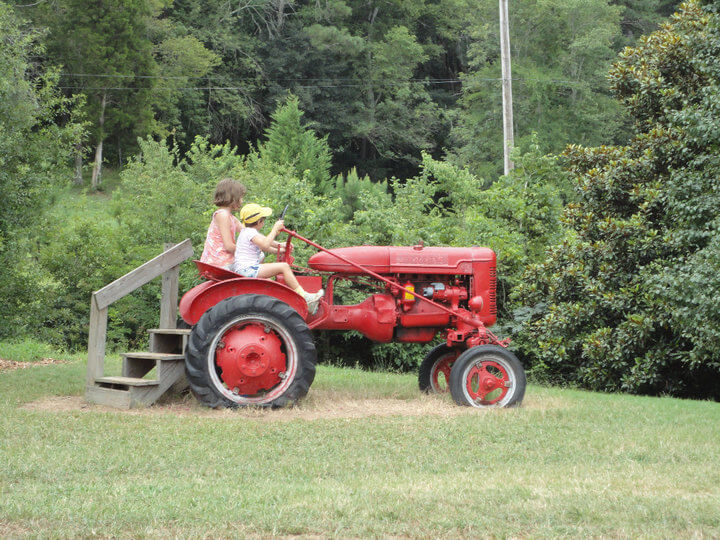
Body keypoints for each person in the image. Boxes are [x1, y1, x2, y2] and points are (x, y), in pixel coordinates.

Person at [232, 203, 324, 314]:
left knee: (270, 282)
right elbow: (265, 245)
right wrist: (275, 230)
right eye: (263, 220)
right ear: (259, 221)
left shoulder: (247, 232)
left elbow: (266, 242)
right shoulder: (250, 233)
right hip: (248, 270)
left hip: (246, 269)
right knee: (284, 267)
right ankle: (305, 298)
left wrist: (281, 247)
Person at [200, 178, 247, 268]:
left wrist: (278, 246)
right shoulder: (222, 215)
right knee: (258, 257)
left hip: (224, 262)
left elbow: (250, 234)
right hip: (219, 263)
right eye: (240, 197)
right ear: (232, 198)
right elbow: (229, 246)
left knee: (258, 256)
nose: (242, 201)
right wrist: (248, 250)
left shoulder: (231, 217)